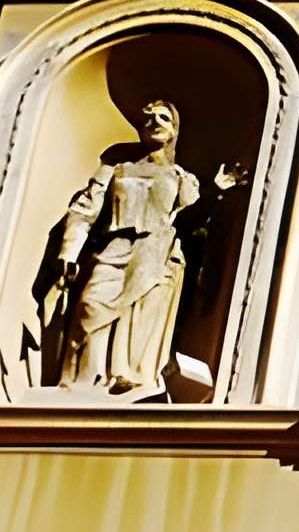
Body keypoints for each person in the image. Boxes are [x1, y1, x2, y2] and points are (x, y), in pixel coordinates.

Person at [35, 99, 243, 397]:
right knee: (91, 306)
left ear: (174, 130)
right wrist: (68, 254)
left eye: (163, 118)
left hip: (157, 255)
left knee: (143, 316)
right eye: (148, 119)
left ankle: (129, 379)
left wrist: (215, 192)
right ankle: (82, 385)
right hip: (112, 249)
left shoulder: (183, 178)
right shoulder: (116, 170)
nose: (155, 123)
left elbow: (190, 221)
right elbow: (84, 210)